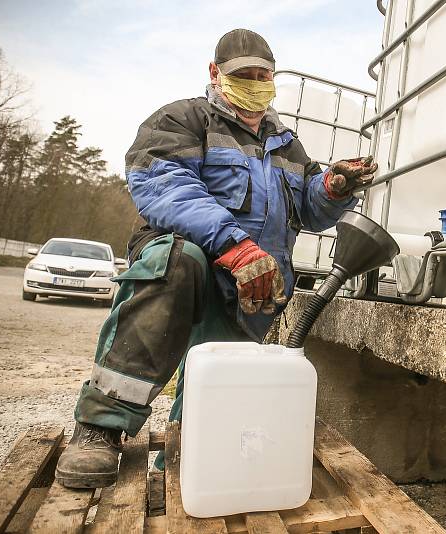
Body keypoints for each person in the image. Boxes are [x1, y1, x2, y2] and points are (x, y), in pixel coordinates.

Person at [54, 28, 377, 488]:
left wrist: (333, 187)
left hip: (251, 286)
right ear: (215, 73)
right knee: (177, 262)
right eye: (244, 74)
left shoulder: (286, 142)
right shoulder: (183, 119)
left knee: (216, 395)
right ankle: (99, 428)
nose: (256, 82)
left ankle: (184, 473)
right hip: (190, 269)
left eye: (264, 75)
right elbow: (166, 188)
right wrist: (234, 246)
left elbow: (308, 208)